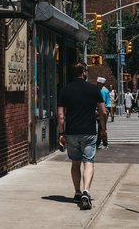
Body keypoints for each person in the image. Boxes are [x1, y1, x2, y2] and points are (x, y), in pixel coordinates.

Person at [57, 62, 107, 210]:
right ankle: (86, 191)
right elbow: (103, 111)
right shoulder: (93, 89)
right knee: (88, 162)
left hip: (71, 132)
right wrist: (103, 129)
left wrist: (61, 133)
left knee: (75, 163)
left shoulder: (65, 90)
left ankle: (77, 192)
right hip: (89, 132)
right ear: (84, 72)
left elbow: (60, 114)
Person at [96, 77, 110, 149]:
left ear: (101, 83)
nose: (97, 84)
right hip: (106, 108)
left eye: (98, 83)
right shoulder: (106, 90)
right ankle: (98, 143)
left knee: (101, 126)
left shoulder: (102, 91)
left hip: (103, 109)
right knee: (101, 126)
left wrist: (99, 110)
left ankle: (104, 143)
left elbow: (102, 101)